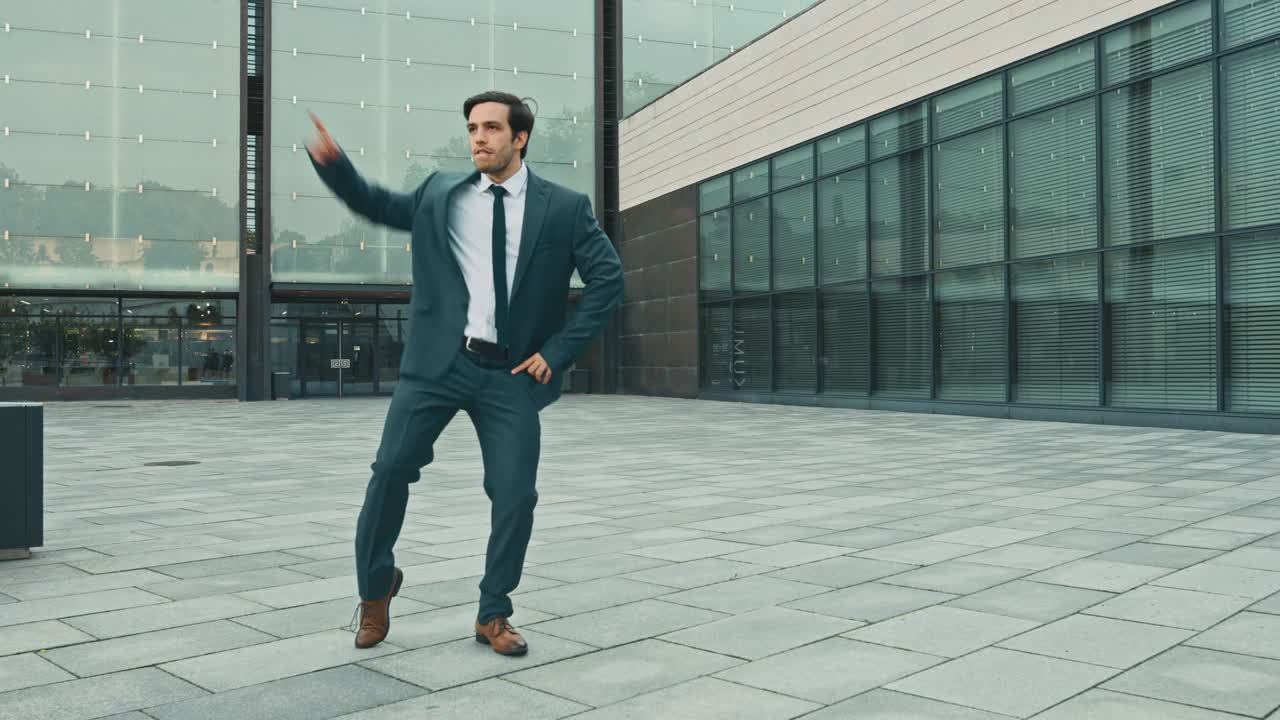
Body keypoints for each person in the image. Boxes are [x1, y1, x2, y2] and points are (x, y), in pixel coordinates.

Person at [306, 91, 622, 655]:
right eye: (473, 127)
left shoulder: (565, 208)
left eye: (492, 128)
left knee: (515, 495)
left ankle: (493, 612)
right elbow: (376, 205)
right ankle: (376, 591)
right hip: (437, 365)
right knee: (389, 474)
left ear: (519, 138)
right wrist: (336, 166)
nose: (478, 137)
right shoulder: (440, 192)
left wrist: (557, 352)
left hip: (512, 375)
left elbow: (608, 282)